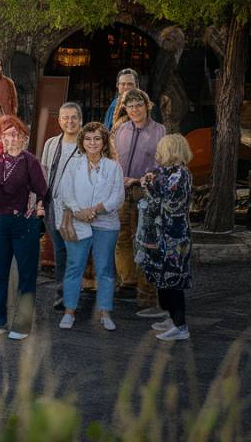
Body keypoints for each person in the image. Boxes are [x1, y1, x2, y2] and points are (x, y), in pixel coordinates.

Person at [0, 115, 47, 340]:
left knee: (26, 275)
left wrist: (36, 208)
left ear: (24, 137)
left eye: (17, 133)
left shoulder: (30, 161)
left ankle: (22, 324)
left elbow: (42, 192)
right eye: (8, 133)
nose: (13, 137)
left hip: (24, 224)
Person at [55, 122, 125, 331]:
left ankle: (104, 312)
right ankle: (69, 312)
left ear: (104, 142)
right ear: (82, 142)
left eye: (97, 138)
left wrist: (95, 209)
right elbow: (66, 193)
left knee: (104, 269)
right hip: (78, 223)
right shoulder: (73, 165)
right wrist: (79, 211)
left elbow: (118, 197)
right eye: (88, 139)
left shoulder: (113, 167)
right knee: (75, 267)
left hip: (106, 224)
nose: (92, 143)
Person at [112, 89, 166, 316]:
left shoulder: (159, 131)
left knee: (145, 241)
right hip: (121, 190)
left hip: (145, 191)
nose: (134, 110)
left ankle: (147, 293)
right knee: (121, 236)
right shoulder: (120, 130)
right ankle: (128, 282)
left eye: (138, 105)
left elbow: (162, 163)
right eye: (130, 106)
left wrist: (141, 178)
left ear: (147, 105)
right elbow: (112, 158)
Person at [138, 134, 194, 341]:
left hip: (174, 239)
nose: (157, 153)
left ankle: (181, 326)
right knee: (164, 281)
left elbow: (165, 204)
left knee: (173, 283)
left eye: (161, 149)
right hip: (167, 236)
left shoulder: (179, 174)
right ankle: (172, 319)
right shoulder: (171, 172)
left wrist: (148, 187)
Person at [41, 102, 83, 311]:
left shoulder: (87, 144)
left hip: (75, 209)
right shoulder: (51, 144)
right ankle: (62, 294)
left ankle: (72, 295)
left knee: (74, 252)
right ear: (59, 121)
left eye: (73, 117)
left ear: (80, 120)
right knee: (60, 252)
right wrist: (40, 200)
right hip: (52, 206)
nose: (69, 121)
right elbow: (43, 172)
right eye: (65, 118)